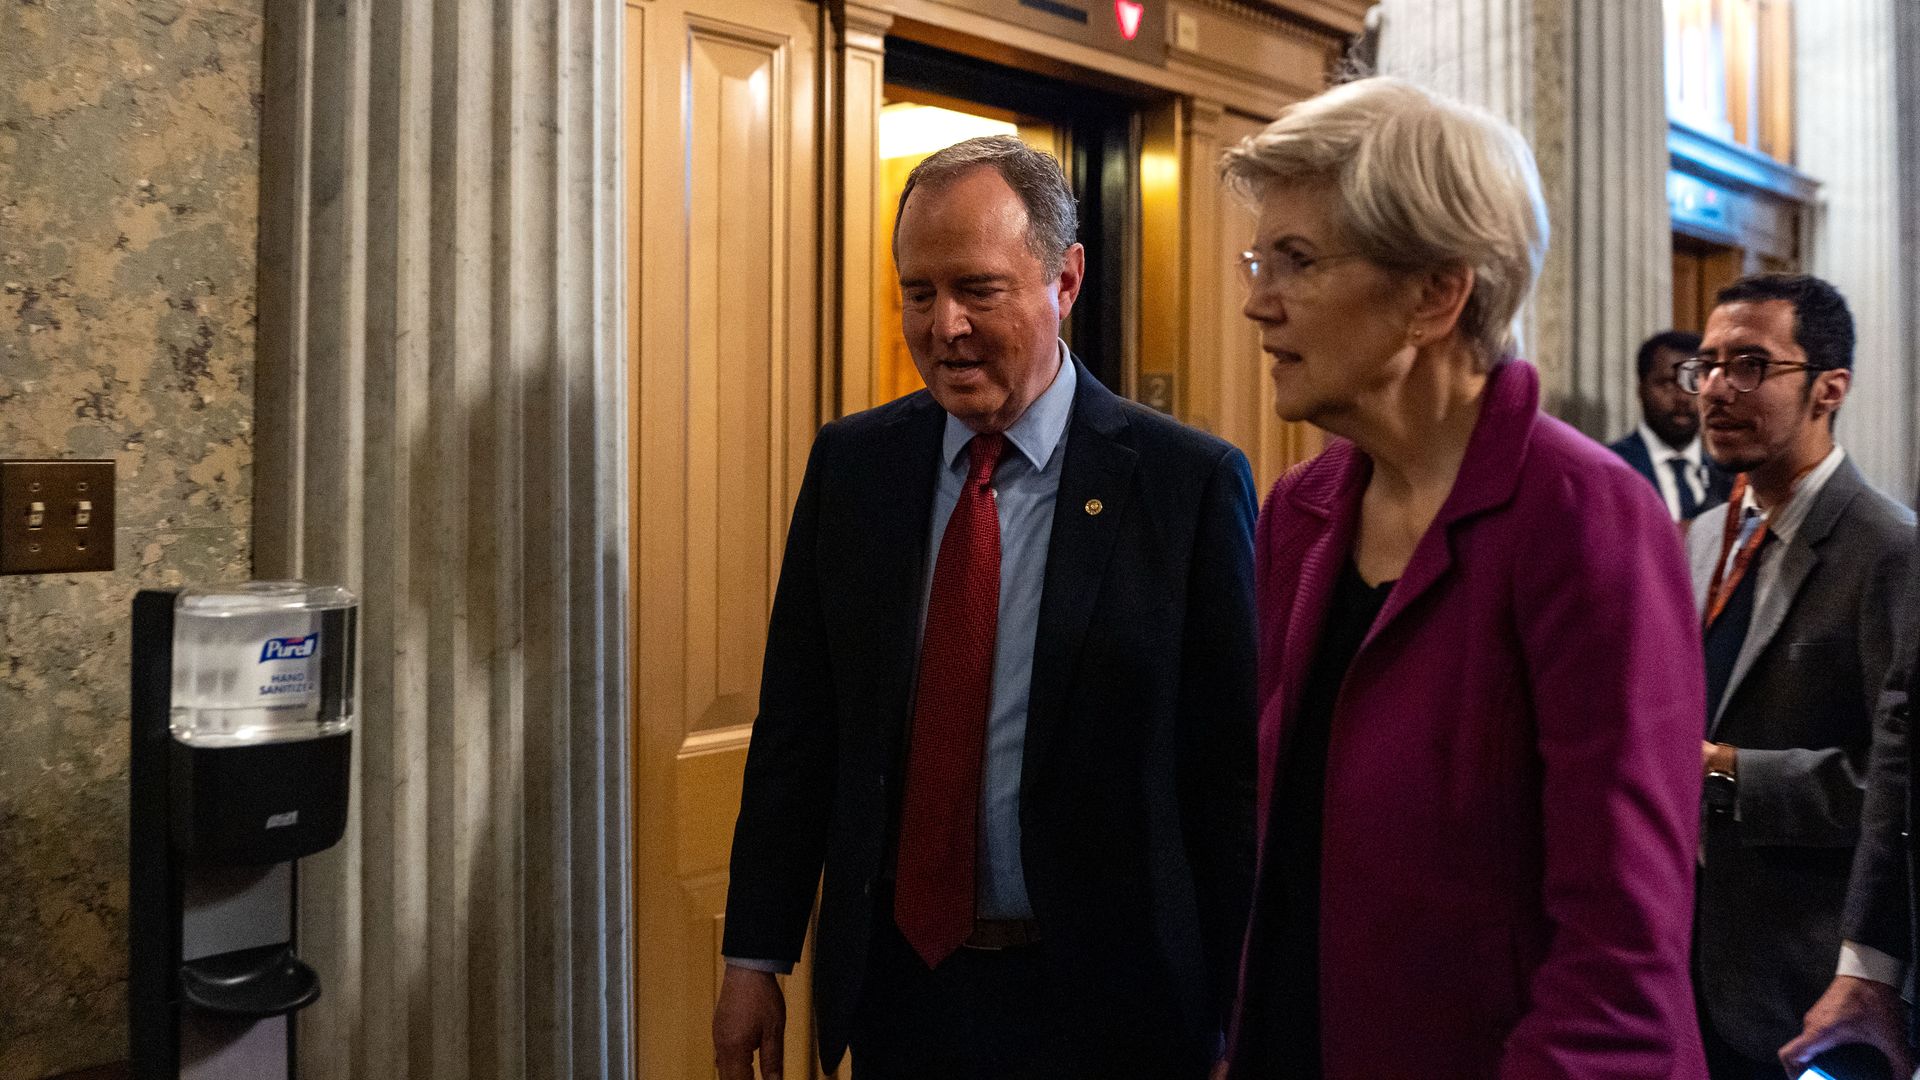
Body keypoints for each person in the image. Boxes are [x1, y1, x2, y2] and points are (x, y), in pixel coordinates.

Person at [712, 136, 1257, 1080]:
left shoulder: (1187, 486)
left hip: (1115, 1013)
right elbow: (801, 729)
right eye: (918, 293)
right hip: (903, 994)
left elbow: (1229, 779)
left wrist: (1237, 1016)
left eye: (979, 289)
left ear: (1066, 280)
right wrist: (754, 954)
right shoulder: (855, 467)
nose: (945, 326)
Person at [1216, 76, 1708, 1080]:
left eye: (1297, 262)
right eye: (1260, 259)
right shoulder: (1302, 514)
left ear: (1437, 293)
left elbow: (1618, 969)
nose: (1257, 300)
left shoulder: (1586, 522)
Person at [1679, 273, 1916, 1080]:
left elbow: (1895, 786)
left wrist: (1728, 773)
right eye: (1707, 364)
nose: (1716, 388)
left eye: (1751, 365)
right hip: (1685, 963)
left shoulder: (1890, 549)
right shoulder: (1705, 535)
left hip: (1809, 976)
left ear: (1829, 389)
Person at [1609, 330, 1734, 523]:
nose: (1682, 398)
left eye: (1694, 383)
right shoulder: (1610, 469)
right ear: (1641, 389)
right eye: (1667, 383)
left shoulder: (1730, 478)